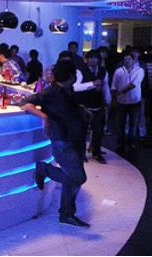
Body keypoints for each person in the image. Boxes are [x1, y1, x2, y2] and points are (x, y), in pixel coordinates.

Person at [21, 60, 90, 228]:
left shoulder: (68, 90)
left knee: (72, 180)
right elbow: (25, 103)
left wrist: (82, 112)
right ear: (71, 76)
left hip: (76, 140)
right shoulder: (50, 92)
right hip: (63, 141)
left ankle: (66, 214)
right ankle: (44, 169)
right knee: (78, 177)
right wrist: (44, 116)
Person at [74, 49, 111, 163]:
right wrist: (92, 84)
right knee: (82, 131)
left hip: (98, 103)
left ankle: (96, 152)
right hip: (84, 104)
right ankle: (81, 153)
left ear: (99, 59)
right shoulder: (80, 70)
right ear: (86, 59)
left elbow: (105, 86)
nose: (92, 60)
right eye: (90, 58)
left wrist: (108, 99)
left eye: (95, 58)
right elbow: (75, 87)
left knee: (98, 130)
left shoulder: (103, 71)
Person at [111, 52, 145, 153]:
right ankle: (121, 142)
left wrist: (120, 92)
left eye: (129, 59)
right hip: (121, 102)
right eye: (125, 60)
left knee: (134, 123)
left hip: (135, 101)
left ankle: (131, 142)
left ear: (133, 60)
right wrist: (114, 100)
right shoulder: (118, 71)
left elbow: (133, 84)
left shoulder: (139, 70)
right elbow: (113, 86)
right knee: (120, 123)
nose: (127, 62)